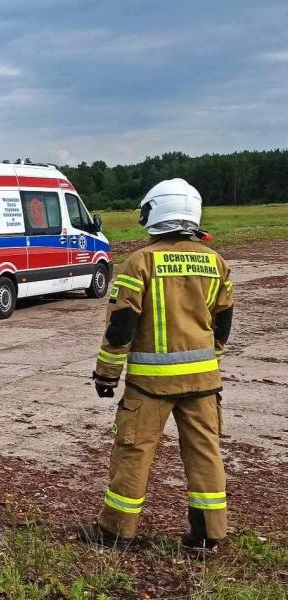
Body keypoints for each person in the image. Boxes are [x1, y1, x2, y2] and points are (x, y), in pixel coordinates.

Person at [82, 179, 234, 552]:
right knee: (205, 453)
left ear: (156, 213)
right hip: (203, 383)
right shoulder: (216, 262)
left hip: (150, 386)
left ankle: (116, 532)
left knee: (133, 453)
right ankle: (209, 534)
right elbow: (223, 323)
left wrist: (106, 375)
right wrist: (209, 363)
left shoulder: (141, 261)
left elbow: (121, 328)